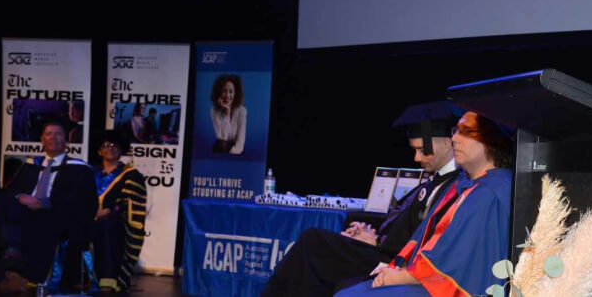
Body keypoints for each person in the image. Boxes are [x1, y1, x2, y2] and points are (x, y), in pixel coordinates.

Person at [261, 102, 462, 297]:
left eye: (422, 150)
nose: (416, 158)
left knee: (313, 242)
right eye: (415, 150)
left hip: (398, 261)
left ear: (447, 143)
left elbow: (425, 235)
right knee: (313, 258)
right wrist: (368, 233)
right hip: (386, 249)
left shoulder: (455, 187)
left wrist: (376, 241)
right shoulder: (433, 182)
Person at [335, 111, 513, 297]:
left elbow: (456, 261)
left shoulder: (491, 192)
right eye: (456, 131)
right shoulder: (469, 186)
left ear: (491, 140)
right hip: (432, 278)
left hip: (455, 287)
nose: (454, 138)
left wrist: (401, 276)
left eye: (466, 132)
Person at [0, 119, 98, 292]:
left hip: (60, 217)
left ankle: (37, 274)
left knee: (43, 220)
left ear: (66, 140)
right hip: (27, 213)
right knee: (3, 205)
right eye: (48, 134)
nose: (53, 138)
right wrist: (20, 196)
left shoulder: (79, 169)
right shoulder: (31, 166)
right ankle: (12, 250)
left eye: (58, 134)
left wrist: (47, 204)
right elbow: (11, 190)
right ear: (42, 139)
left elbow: (84, 201)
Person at [92, 132, 148, 294]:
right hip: (89, 219)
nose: (110, 148)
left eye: (114, 145)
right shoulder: (90, 173)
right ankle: (70, 278)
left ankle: (108, 280)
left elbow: (132, 204)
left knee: (107, 223)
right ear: (99, 151)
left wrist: (109, 211)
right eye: (106, 145)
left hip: (117, 223)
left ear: (121, 150)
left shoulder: (131, 175)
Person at [210, 74, 247, 154]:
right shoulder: (214, 111)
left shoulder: (242, 111)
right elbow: (222, 138)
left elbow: (240, 142)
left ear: (235, 94)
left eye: (231, 91)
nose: (227, 95)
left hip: (236, 151)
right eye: (224, 91)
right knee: (221, 144)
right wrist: (227, 113)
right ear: (219, 93)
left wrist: (231, 155)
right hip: (221, 148)